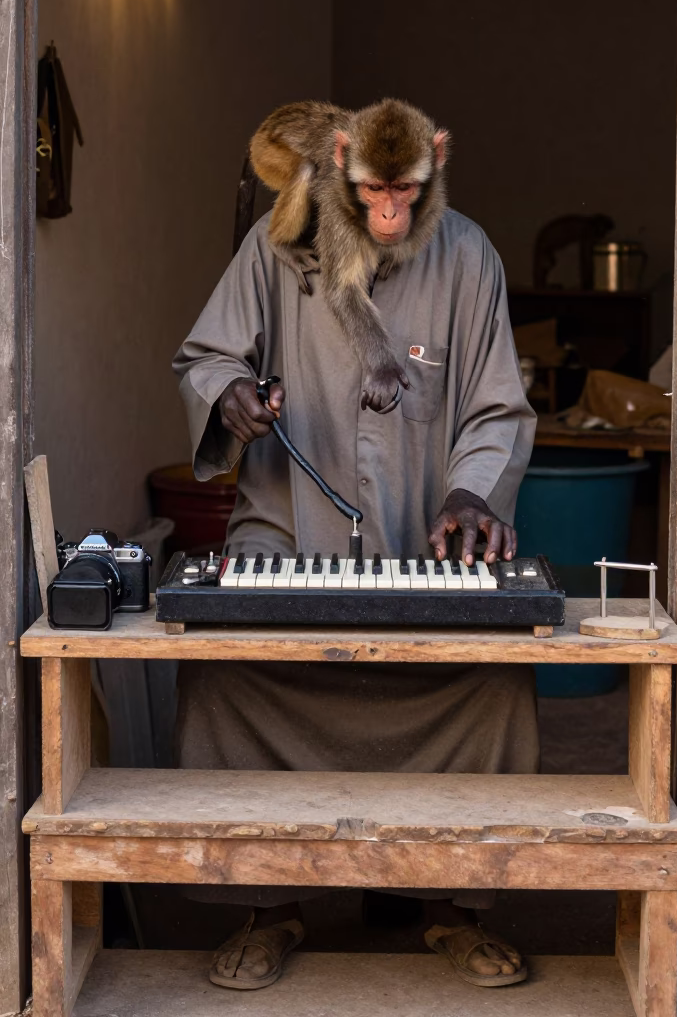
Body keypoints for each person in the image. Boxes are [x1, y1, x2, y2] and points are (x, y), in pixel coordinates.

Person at [172, 186, 537, 992]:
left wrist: (473, 492)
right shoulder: (276, 247)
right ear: (338, 171)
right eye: (371, 194)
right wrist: (227, 394)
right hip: (286, 517)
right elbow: (208, 357)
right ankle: (270, 907)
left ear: (433, 174)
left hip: (426, 535)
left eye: (405, 195)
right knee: (226, 665)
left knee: (494, 677)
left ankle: (451, 905)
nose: (388, 214)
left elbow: (497, 408)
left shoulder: (468, 256)